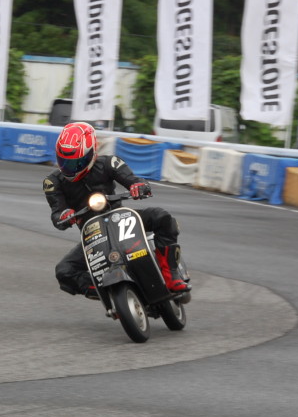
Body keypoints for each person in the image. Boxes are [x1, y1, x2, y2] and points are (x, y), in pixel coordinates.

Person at [43, 122, 190, 299]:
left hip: (121, 218)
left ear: (92, 152)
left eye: (76, 162)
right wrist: (64, 216)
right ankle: (107, 292)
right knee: (64, 271)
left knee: (162, 217)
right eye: (64, 161)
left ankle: (170, 274)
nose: (70, 167)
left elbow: (133, 180)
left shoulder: (109, 163)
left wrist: (138, 186)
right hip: (93, 235)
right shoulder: (52, 182)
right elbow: (57, 214)